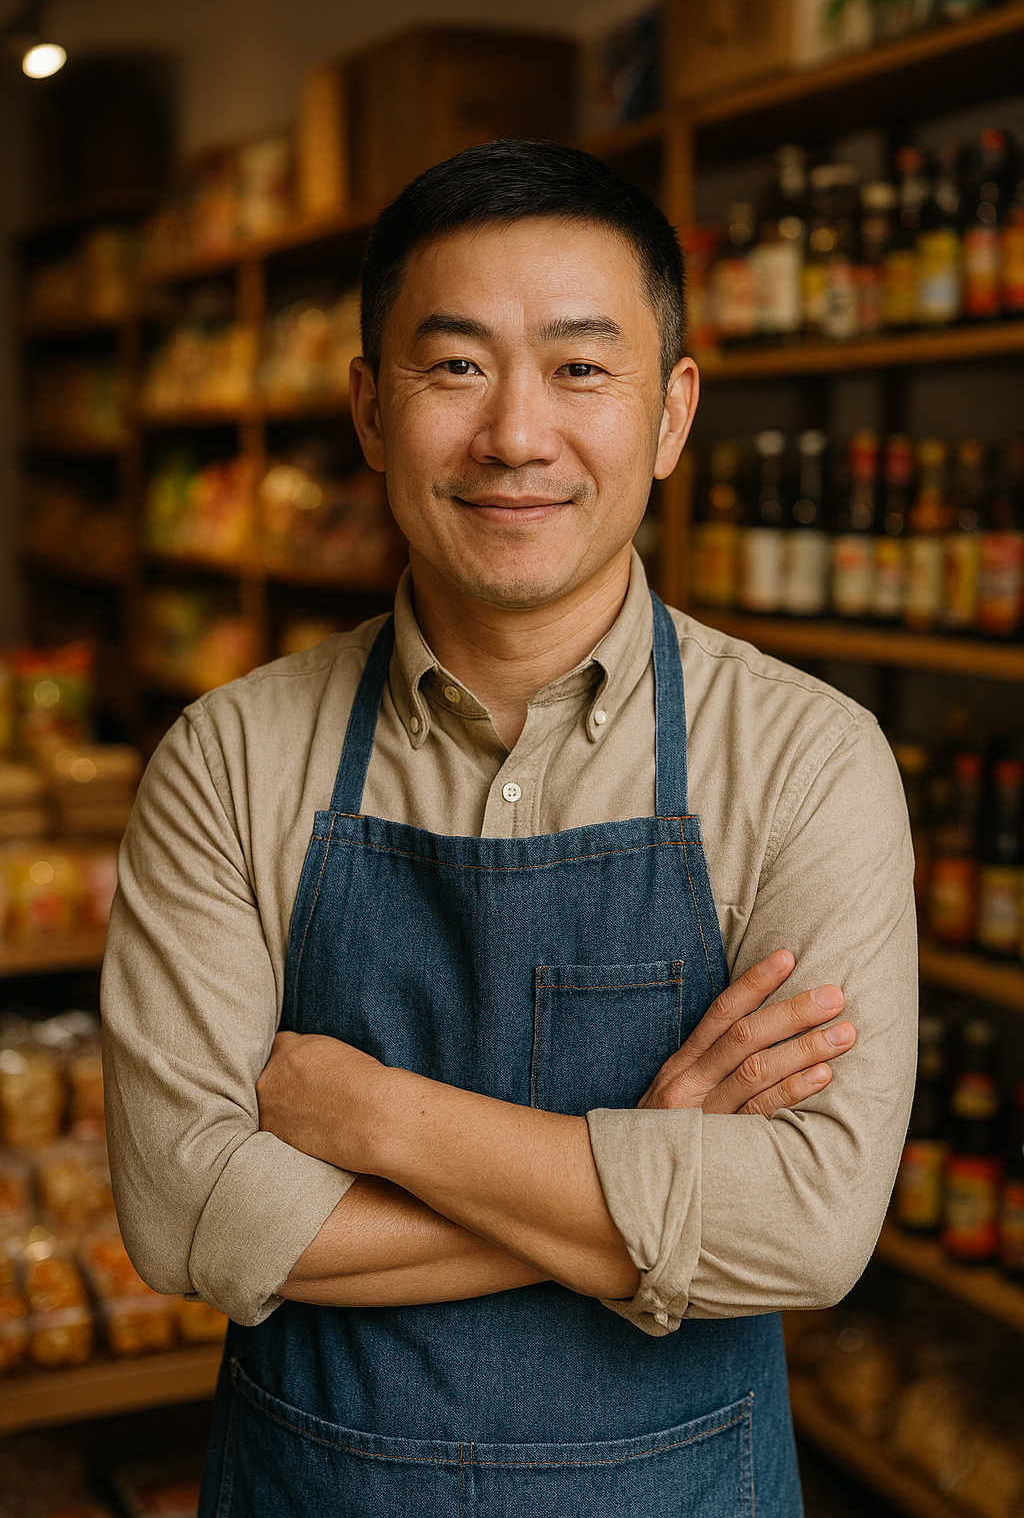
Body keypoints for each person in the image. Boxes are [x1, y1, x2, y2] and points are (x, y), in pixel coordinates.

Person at [102, 140, 917, 1517]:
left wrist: (374, 1115)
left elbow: (808, 1227)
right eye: (456, 366)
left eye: (582, 368)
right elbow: (189, 1217)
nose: (517, 436)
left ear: (670, 414)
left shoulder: (805, 760)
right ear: (370, 411)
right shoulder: (228, 757)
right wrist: (648, 1157)